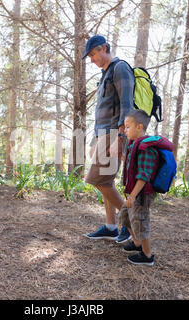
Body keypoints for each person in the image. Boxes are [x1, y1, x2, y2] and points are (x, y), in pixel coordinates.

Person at [82, 35, 134, 243]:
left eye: (94, 54)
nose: (92, 59)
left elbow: (127, 104)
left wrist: (120, 137)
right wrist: (95, 139)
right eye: (90, 56)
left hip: (114, 133)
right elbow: (103, 111)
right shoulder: (105, 74)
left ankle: (129, 221)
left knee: (96, 179)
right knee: (107, 181)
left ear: (104, 48)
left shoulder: (120, 68)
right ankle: (111, 226)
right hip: (103, 134)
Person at [119, 109, 173, 266]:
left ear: (139, 127)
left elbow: (144, 175)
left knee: (141, 221)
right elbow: (132, 165)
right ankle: (137, 244)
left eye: (128, 127)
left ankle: (147, 255)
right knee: (125, 217)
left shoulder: (146, 147)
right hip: (134, 192)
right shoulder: (134, 145)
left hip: (142, 193)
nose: (125, 130)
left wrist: (133, 196)